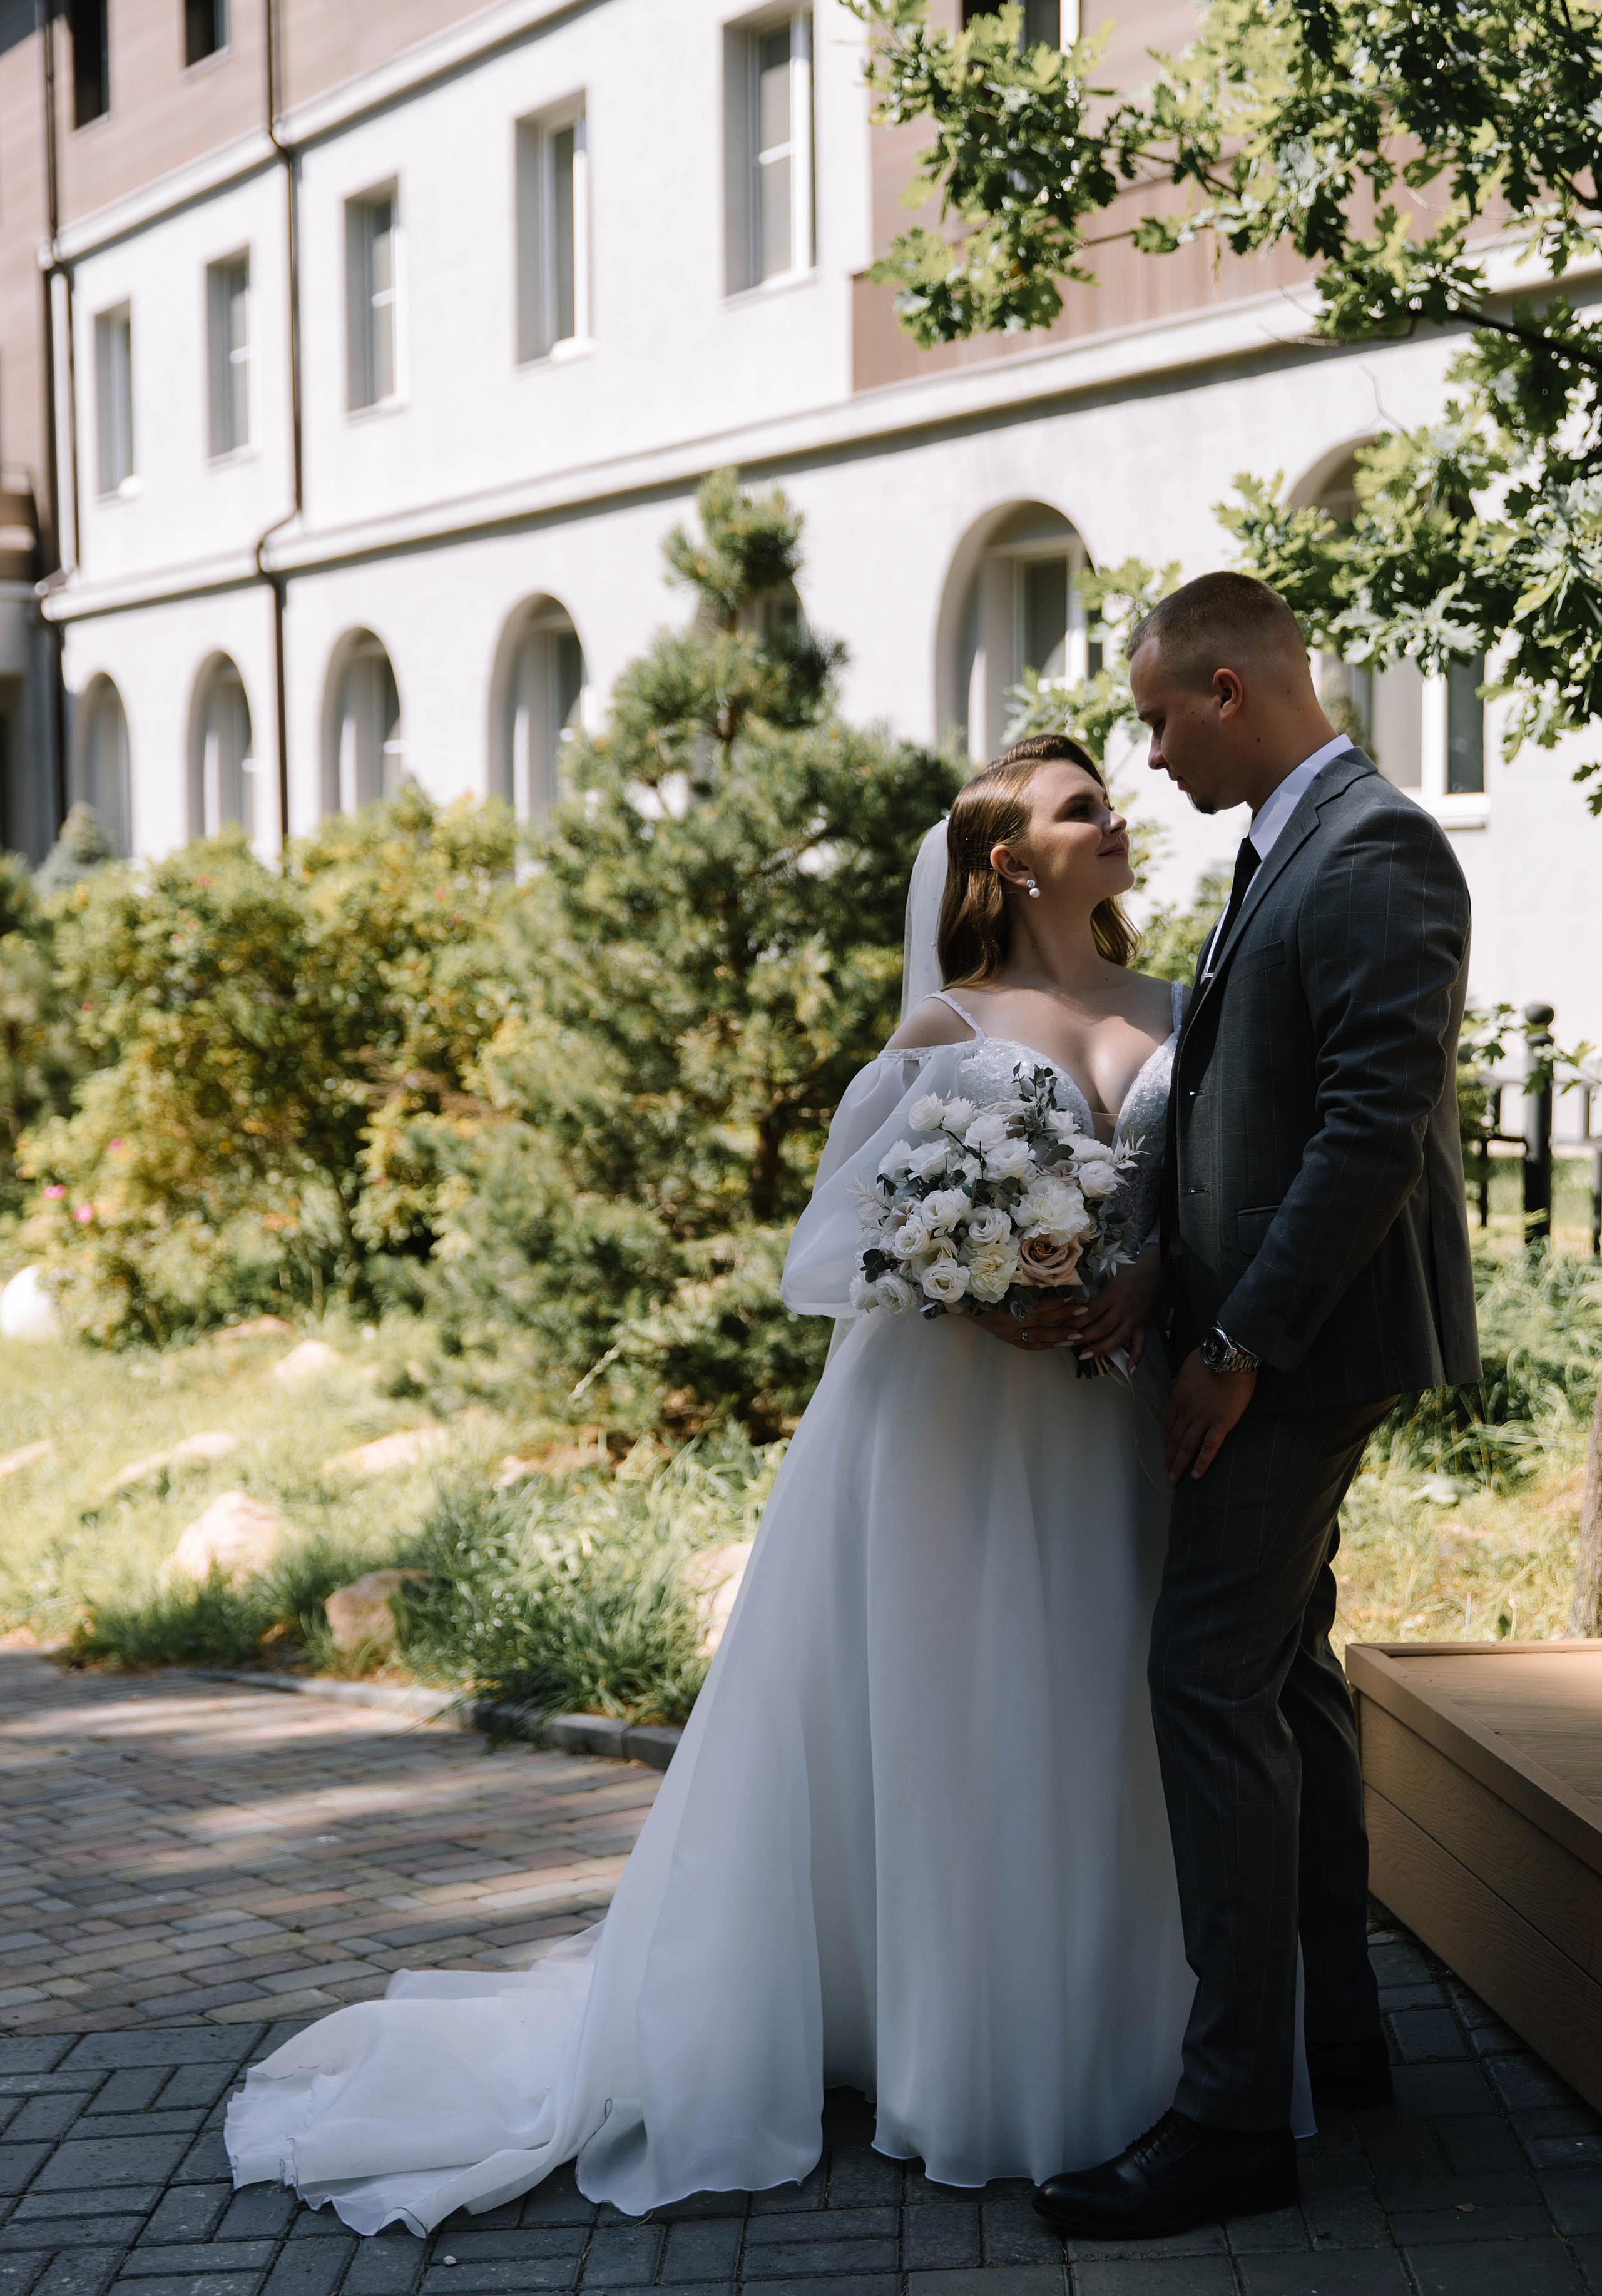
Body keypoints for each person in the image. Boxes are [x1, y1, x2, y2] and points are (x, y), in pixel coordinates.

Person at [225, 731, 1265, 2236]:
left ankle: (1115, 2039)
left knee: (1096, 1704)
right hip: (959, 1419)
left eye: (1107, 801)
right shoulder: (940, 1027)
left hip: (1109, 1411)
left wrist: (1147, 1266)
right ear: (1006, 860)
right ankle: (953, 2049)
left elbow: (1193, 1195)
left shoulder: (1176, 1005)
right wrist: (984, 1292)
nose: (1115, 823)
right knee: (961, 1711)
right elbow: (837, 1246)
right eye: (1080, 809)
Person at [1033, 574, 1479, 2241]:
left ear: (1230, 690)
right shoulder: (1290, 841)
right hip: (1241, 1323)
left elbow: (1369, 1130)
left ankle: (1231, 2117)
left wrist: (1238, 1345)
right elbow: (1226, 1099)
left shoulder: (1374, 851)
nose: (1145, 754)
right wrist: (1156, 1259)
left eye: (1154, 718)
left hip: (1297, 1351)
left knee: (1204, 1684)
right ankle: (1339, 2038)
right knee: (1285, 1676)